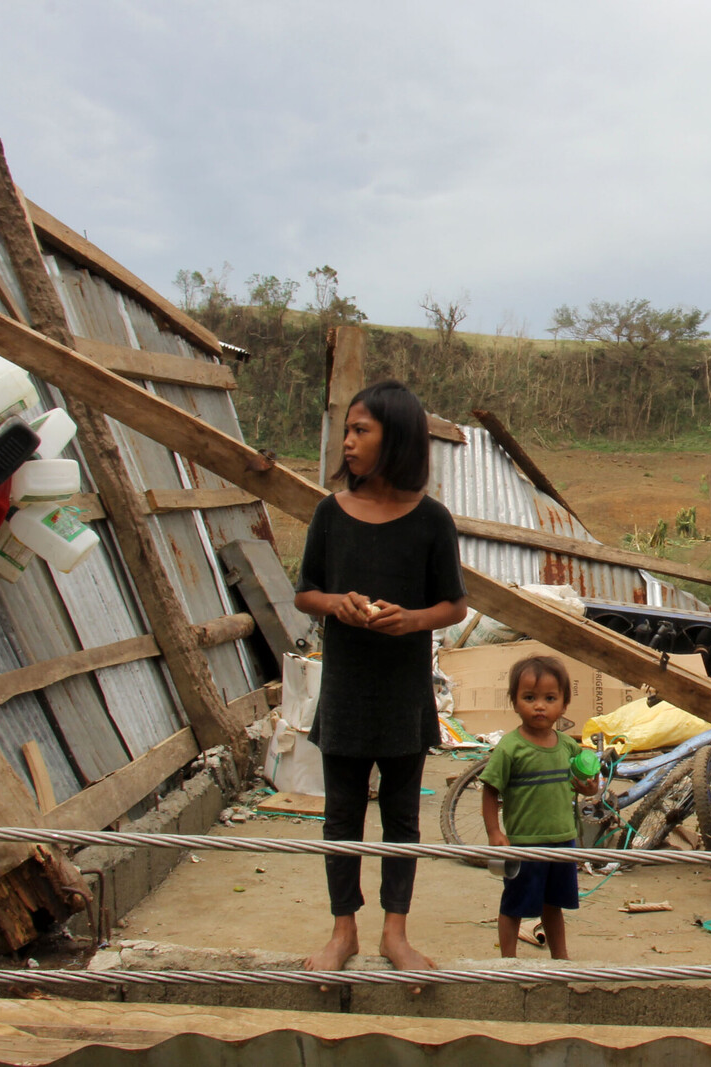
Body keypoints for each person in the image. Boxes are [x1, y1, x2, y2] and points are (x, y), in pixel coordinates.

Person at [293, 380, 468, 972]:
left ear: (395, 440)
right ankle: (343, 932)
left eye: (360, 430)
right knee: (341, 814)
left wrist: (410, 620)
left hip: (403, 694)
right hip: (345, 689)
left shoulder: (431, 521)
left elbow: (453, 606)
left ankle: (395, 933)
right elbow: (304, 593)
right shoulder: (329, 514)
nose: (347, 442)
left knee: (401, 817)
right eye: (347, 430)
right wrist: (335, 602)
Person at [479, 655, 600, 959]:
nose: (540, 706)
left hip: (562, 841)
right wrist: (495, 832)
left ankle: (561, 959)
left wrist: (590, 786)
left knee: (554, 905)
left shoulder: (568, 747)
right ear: (515, 702)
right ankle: (508, 961)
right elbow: (490, 791)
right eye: (529, 698)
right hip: (524, 844)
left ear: (564, 704)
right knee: (514, 905)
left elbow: (586, 782)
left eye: (550, 698)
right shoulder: (510, 748)